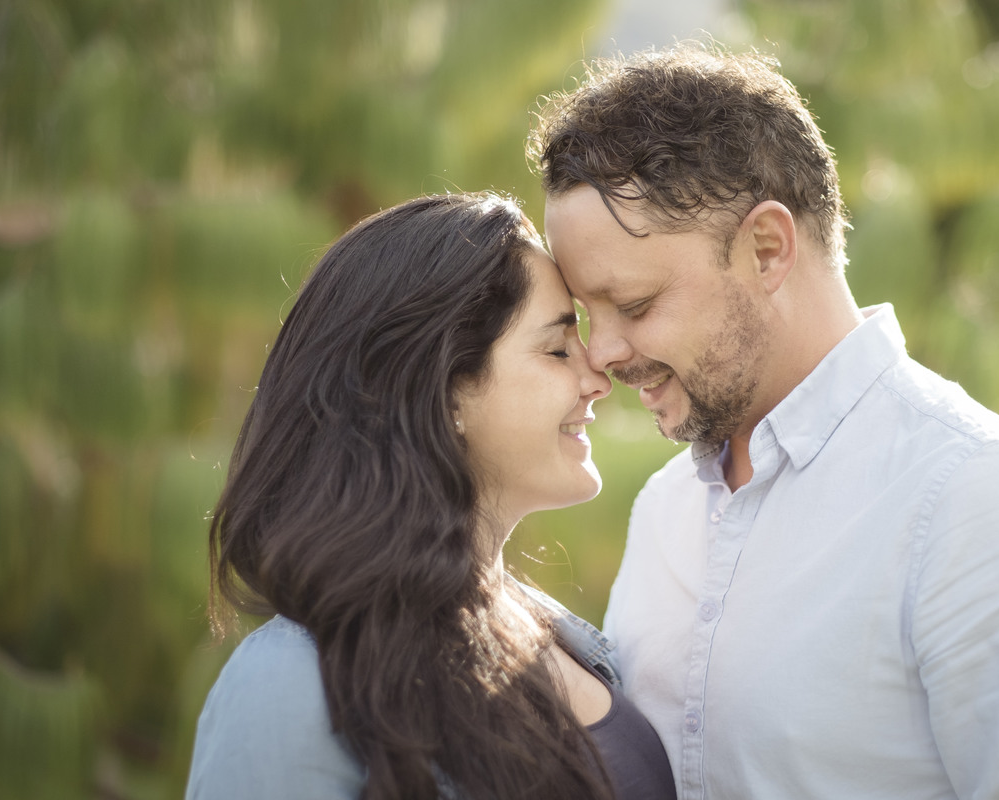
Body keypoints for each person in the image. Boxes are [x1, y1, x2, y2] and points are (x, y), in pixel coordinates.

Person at [529, 42, 999, 799]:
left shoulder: (981, 505)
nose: (602, 356)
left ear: (766, 249)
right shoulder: (665, 509)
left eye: (632, 306)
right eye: (585, 317)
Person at [184, 192, 677, 800]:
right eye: (556, 350)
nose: (598, 378)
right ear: (442, 395)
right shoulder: (291, 686)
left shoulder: (565, 639)